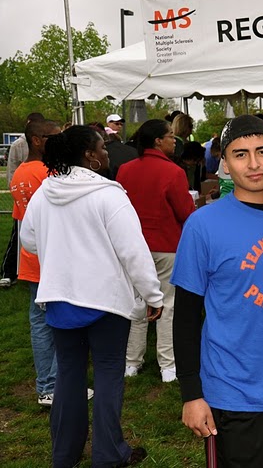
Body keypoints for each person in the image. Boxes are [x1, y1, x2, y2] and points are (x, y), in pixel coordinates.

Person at [20, 125, 163, 467]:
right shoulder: (110, 195)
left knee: (69, 376)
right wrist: (152, 294)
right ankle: (108, 454)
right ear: (89, 156)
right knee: (108, 374)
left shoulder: (45, 192)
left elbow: (28, 240)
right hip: (105, 301)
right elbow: (134, 252)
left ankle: (64, 455)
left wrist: (62, 249)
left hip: (58, 297)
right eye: (102, 147)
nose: (107, 152)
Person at [172, 115, 263, 466]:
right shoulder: (203, 225)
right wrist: (192, 394)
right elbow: (186, 317)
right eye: (240, 154)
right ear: (225, 163)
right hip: (233, 396)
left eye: (262, 152)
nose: (253, 164)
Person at [116, 119, 195, 383]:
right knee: (167, 306)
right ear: (158, 141)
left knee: (136, 304)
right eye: (170, 136)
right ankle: (168, 366)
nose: (174, 140)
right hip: (166, 245)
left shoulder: (125, 171)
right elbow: (185, 212)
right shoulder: (173, 172)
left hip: (133, 245)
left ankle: (131, 362)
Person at [10, 119, 63, 406]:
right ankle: (53, 385)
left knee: (40, 323)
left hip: (31, 260)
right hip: (51, 259)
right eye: (54, 137)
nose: (59, 141)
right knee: (57, 325)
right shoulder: (47, 173)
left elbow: (20, 221)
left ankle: (47, 386)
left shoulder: (19, 172)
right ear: (37, 140)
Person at [0, 112, 45, 288]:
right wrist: (17, 192)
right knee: (19, 236)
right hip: (25, 194)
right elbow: (12, 168)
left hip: (36, 194)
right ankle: (9, 272)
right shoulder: (18, 145)